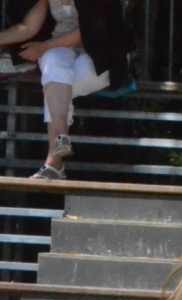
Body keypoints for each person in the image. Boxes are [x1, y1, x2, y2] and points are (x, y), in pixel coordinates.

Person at [0, 0, 128, 180]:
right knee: (53, 65)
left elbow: (91, 31)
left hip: (100, 55)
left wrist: (43, 47)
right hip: (60, 51)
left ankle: (56, 157)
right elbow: (28, 28)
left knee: (56, 84)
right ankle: (56, 156)